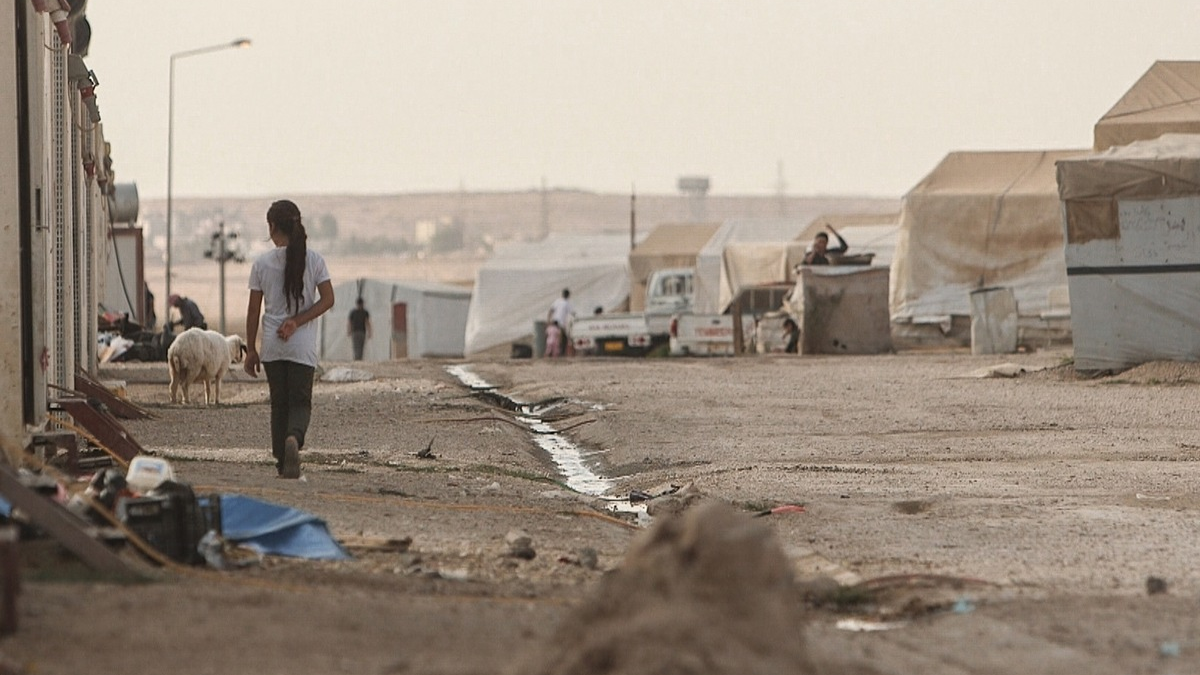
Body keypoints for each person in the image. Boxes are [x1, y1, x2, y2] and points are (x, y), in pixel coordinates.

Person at [243, 199, 335, 479]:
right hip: (302, 345)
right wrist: (297, 322)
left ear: (272, 227)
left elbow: (253, 309)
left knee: (278, 403)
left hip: (272, 344)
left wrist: (251, 350)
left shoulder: (261, 263)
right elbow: (328, 299)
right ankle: (294, 438)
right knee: (300, 402)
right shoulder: (315, 260)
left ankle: (282, 463)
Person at [549, 288, 574, 356]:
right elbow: (572, 313)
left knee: (555, 337)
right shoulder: (566, 303)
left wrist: (549, 320)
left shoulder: (557, 301)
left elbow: (551, 311)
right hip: (560, 323)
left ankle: (556, 352)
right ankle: (560, 353)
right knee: (562, 339)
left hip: (556, 322)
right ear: (568, 295)